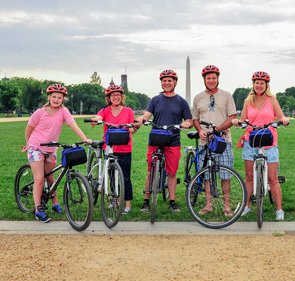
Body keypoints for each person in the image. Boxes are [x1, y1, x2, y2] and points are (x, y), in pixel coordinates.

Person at [22, 83, 92, 223]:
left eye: (59, 97)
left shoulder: (64, 111)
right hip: (36, 146)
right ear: (49, 97)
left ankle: (55, 204)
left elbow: (73, 125)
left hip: (51, 148)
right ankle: (38, 209)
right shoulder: (39, 113)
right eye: (54, 96)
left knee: (51, 179)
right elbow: (29, 128)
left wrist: (84, 139)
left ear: (63, 99)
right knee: (40, 179)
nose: (56, 99)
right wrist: (28, 143)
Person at [232, 71, 289, 221]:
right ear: (253, 84)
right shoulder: (248, 101)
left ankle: (279, 209)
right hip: (251, 139)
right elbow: (243, 119)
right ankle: (247, 206)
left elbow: (281, 115)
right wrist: (238, 122)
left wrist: (284, 119)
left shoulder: (272, 100)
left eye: (262, 83)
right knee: (249, 176)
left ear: (266, 85)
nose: (259, 85)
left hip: (269, 140)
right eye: (256, 83)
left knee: (273, 178)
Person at [137, 69, 192, 213]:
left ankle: (172, 201)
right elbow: (147, 115)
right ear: (161, 83)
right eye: (164, 80)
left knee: (172, 173)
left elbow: (189, 120)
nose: (167, 83)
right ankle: (146, 201)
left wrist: (186, 124)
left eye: (170, 80)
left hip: (173, 139)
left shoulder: (181, 101)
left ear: (175, 82)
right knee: (151, 171)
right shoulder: (155, 100)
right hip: (156, 137)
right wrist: (142, 119)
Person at [192, 65, 237, 216]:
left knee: (225, 175)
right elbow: (195, 119)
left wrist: (217, 129)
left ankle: (226, 207)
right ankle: (208, 205)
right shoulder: (198, 97)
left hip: (223, 141)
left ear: (217, 79)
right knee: (206, 175)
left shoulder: (226, 95)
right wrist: (199, 130)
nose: (211, 80)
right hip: (206, 143)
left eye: (213, 78)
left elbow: (232, 118)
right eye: (208, 78)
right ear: (204, 80)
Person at [91, 84, 138, 214]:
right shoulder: (105, 110)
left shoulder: (128, 111)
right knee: (111, 176)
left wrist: (135, 127)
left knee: (125, 177)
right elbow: (99, 118)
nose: (116, 97)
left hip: (125, 148)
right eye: (113, 95)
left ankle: (127, 204)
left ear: (121, 97)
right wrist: (95, 120)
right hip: (110, 148)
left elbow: (132, 130)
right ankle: (114, 200)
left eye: (118, 95)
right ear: (109, 98)